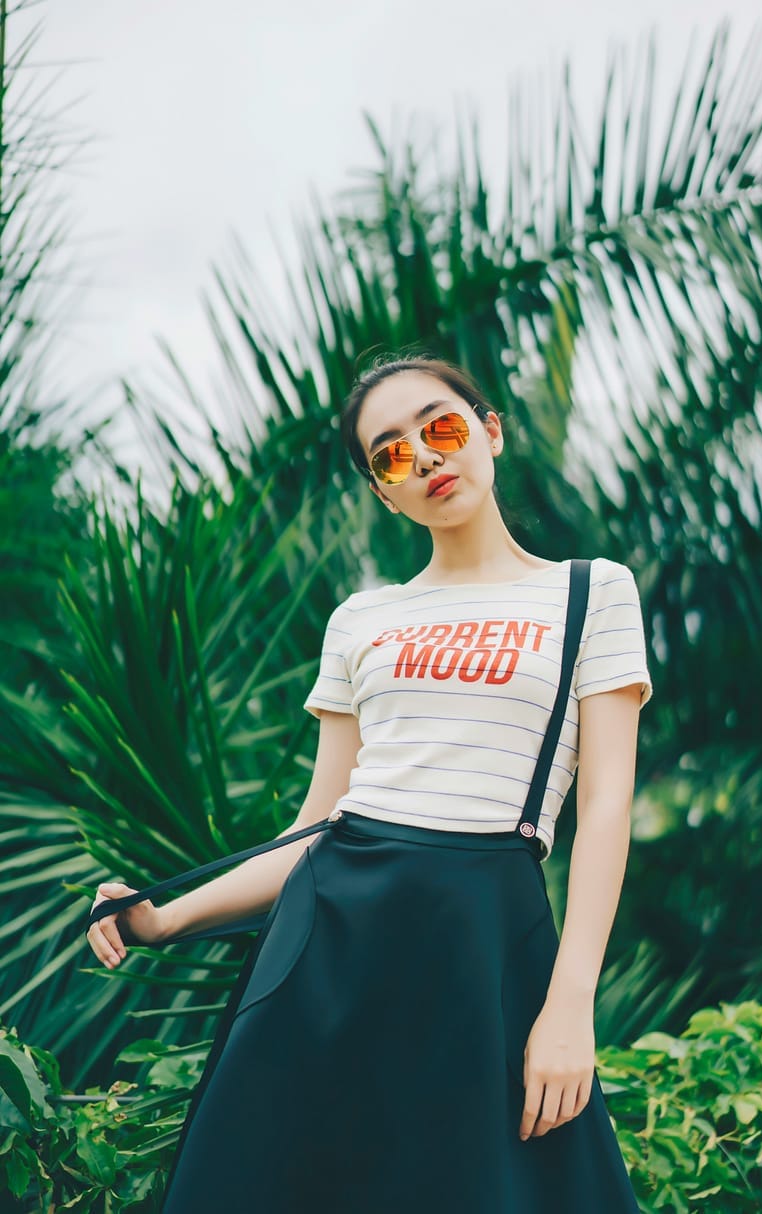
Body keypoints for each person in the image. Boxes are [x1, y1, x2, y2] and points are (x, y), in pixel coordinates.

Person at [87, 354, 653, 1213]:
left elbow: (607, 809)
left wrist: (570, 1007)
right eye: (390, 454)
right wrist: (164, 918)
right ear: (383, 492)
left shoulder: (591, 593)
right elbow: (316, 828)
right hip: (330, 944)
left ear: (489, 431)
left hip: (483, 942)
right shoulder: (362, 618)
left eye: (442, 427)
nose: (424, 457)